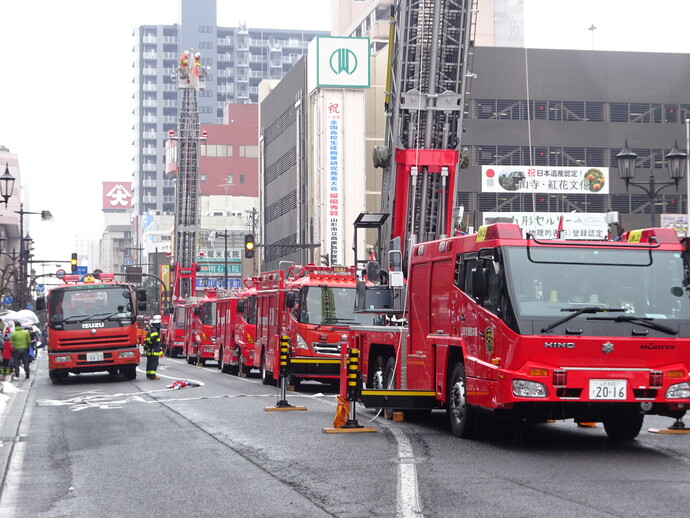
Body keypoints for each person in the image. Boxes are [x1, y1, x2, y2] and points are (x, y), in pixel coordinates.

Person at [143, 315, 164, 380]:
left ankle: (148, 374)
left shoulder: (151, 329)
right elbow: (153, 339)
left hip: (150, 349)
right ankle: (152, 375)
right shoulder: (155, 331)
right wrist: (154, 346)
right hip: (153, 350)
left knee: (149, 362)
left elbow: (148, 340)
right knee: (154, 362)